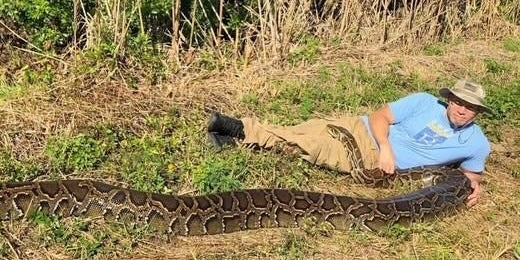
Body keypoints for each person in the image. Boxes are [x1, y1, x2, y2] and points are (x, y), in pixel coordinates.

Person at [207, 80, 492, 207]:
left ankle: (237, 130)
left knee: (313, 147)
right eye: (458, 101)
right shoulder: (424, 102)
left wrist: (470, 190)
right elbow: (379, 116)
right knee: (305, 129)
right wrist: (387, 147)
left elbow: (469, 178)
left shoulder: (477, 144)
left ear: (478, 112)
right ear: (450, 98)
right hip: (363, 129)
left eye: (469, 106)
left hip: (368, 158)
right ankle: (241, 137)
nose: (461, 109)